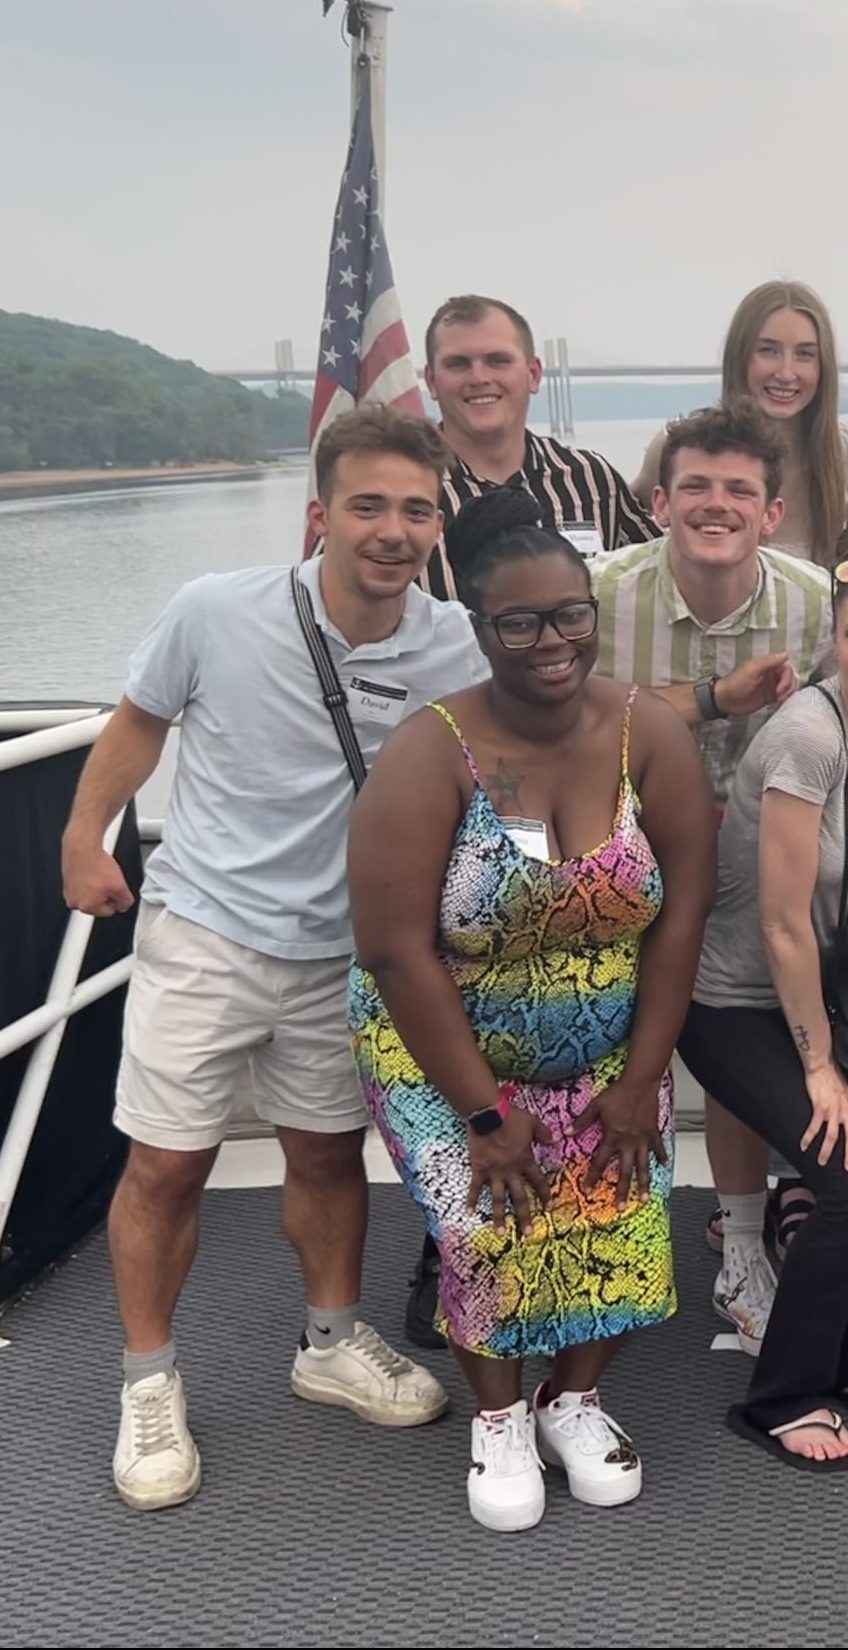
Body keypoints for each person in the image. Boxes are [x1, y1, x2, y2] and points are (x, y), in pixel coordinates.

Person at [61, 406, 480, 1512]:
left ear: (438, 523)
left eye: (416, 509)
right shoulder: (216, 611)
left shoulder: (453, 640)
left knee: (331, 1156)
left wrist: (715, 701)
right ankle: (148, 1382)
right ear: (319, 515)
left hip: (346, 951)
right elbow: (139, 722)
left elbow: (553, 714)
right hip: (206, 929)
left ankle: (329, 1344)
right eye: (369, 506)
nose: (392, 529)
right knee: (165, 1165)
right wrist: (82, 837)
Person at [348, 491, 714, 1531]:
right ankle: (499, 1415)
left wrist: (644, 1077)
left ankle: (574, 1398)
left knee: (623, 1213)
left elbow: (681, 912)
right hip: (442, 1044)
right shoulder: (432, 750)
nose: (552, 640)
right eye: (520, 621)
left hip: (609, 1043)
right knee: (488, 1228)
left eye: (570, 614)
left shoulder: (651, 729)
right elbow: (393, 948)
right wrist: (483, 1115)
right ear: (477, 625)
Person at [394, 294, 671, 1344]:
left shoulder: (589, 480)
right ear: (433, 377)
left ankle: (572, 1255)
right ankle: (453, 1241)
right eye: (459, 361)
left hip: (571, 760)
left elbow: (638, 588)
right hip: (456, 773)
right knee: (464, 973)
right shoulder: (413, 487)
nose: (480, 377)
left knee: (559, 971)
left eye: (498, 359)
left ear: (531, 371)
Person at [675, 507, 848, 1470]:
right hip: (734, 1003)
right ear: (831, 639)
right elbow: (784, 922)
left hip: (837, 996)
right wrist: (827, 1070)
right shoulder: (807, 735)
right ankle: (782, 1393)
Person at [591, 400, 837, 1356]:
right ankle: (596, 1234)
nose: (717, 504)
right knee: (602, 1056)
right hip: (621, 856)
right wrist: (705, 702)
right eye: (696, 485)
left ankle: (742, 1240)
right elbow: (555, 706)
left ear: (772, 512)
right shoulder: (602, 593)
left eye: (741, 489)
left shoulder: (815, 602)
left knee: (738, 1051)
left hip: (762, 863)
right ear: (659, 500)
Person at [636, 281, 848, 563]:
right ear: (740, 357)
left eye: (805, 354)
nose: (787, 373)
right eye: (768, 350)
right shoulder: (680, 450)